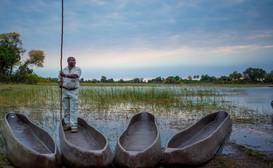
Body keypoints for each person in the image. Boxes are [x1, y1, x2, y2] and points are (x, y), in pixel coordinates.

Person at [58, 57, 81, 133]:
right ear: (68, 61)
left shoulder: (77, 69)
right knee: (66, 108)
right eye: (72, 60)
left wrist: (65, 76)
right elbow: (59, 80)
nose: (74, 61)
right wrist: (60, 84)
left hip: (73, 91)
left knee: (73, 109)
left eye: (75, 60)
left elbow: (75, 76)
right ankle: (67, 125)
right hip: (65, 91)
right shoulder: (63, 70)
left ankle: (74, 126)